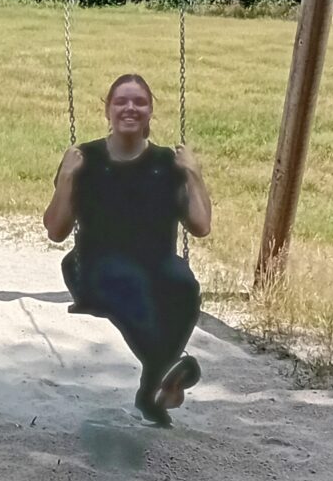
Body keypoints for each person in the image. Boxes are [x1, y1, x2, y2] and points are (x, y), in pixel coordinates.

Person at [43, 72, 212, 426]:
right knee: (129, 281)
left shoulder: (169, 164)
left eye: (139, 102)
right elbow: (56, 230)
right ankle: (169, 371)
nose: (130, 108)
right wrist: (68, 178)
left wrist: (193, 174)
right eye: (121, 101)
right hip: (92, 266)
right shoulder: (83, 158)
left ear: (151, 111)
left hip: (156, 261)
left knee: (183, 285)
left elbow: (200, 226)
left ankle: (152, 390)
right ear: (107, 110)